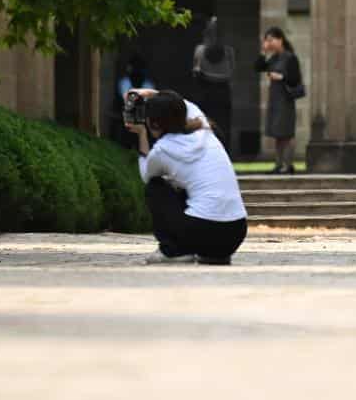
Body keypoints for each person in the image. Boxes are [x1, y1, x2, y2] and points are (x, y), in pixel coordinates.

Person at [126, 89, 248, 265]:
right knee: (183, 185)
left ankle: (173, 251)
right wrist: (149, 93)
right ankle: (214, 254)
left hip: (202, 231)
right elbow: (182, 104)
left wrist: (142, 135)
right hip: (236, 232)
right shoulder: (204, 129)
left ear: (153, 124)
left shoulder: (162, 150)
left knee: (156, 187)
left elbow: (147, 175)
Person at [255, 26, 303, 175]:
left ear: (280, 39)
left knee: (287, 133)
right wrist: (263, 51)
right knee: (277, 134)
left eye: (271, 40)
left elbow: (295, 78)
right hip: (275, 99)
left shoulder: (290, 58)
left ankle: (288, 165)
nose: (269, 43)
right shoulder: (273, 58)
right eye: (267, 40)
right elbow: (258, 67)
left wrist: (280, 77)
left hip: (285, 99)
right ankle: (278, 163)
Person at [191, 17, 235, 148]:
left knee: (216, 125)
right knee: (214, 124)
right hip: (214, 93)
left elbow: (196, 72)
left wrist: (204, 75)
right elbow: (229, 74)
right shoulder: (202, 50)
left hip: (211, 93)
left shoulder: (226, 51)